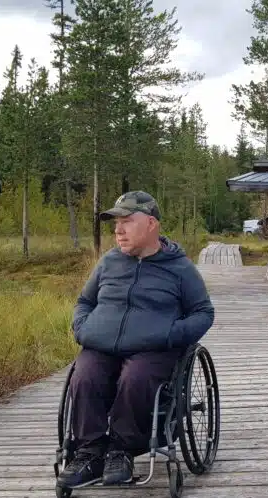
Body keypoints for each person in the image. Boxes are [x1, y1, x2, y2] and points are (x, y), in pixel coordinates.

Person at [56, 191, 215, 488]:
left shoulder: (179, 268)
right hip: (102, 345)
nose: (118, 230)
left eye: (127, 221)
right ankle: (89, 452)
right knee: (85, 375)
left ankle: (122, 450)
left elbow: (203, 312)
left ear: (151, 223)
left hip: (152, 349)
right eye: (116, 223)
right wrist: (82, 327)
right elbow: (84, 300)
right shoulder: (109, 262)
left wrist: (171, 335)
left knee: (136, 377)